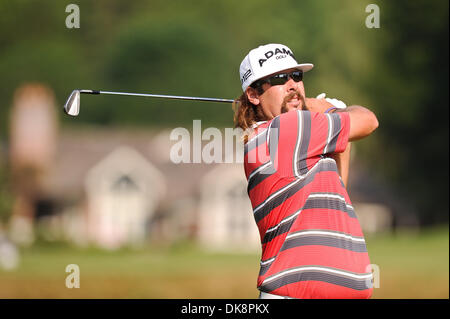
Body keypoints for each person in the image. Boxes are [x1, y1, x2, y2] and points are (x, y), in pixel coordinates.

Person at [233, 43, 378, 299]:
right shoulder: (290, 128)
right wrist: (332, 110)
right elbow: (368, 120)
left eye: (296, 76)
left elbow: (340, 190)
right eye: (279, 79)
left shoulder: (270, 138)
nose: (292, 85)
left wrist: (328, 116)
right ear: (254, 95)